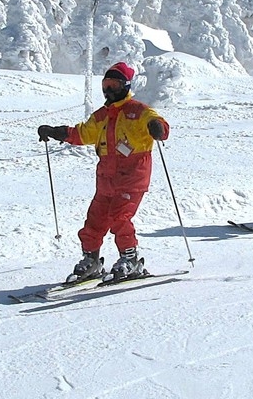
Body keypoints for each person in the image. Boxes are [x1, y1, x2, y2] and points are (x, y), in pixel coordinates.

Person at [37, 62, 170, 282]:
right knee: (94, 221)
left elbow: (158, 123)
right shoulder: (101, 116)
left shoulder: (138, 111)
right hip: (106, 179)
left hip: (132, 178)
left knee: (120, 218)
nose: (109, 90)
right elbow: (82, 133)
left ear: (125, 86)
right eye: (106, 85)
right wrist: (56, 132)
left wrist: (158, 127)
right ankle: (92, 260)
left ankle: (131, 259)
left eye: (114, 85)